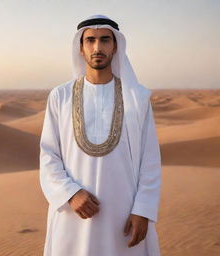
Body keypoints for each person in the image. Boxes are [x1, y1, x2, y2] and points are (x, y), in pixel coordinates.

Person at [39, 14, 162, 256]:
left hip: (124, 215)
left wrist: (143, 209)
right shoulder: (60, 96)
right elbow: (48, 154)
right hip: (73, 215)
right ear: (81, 48)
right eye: (90, 40)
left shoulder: (137, 98)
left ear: (116, 46)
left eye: (105, 40)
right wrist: (70, 193)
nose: (97, 47)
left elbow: (150, 160)